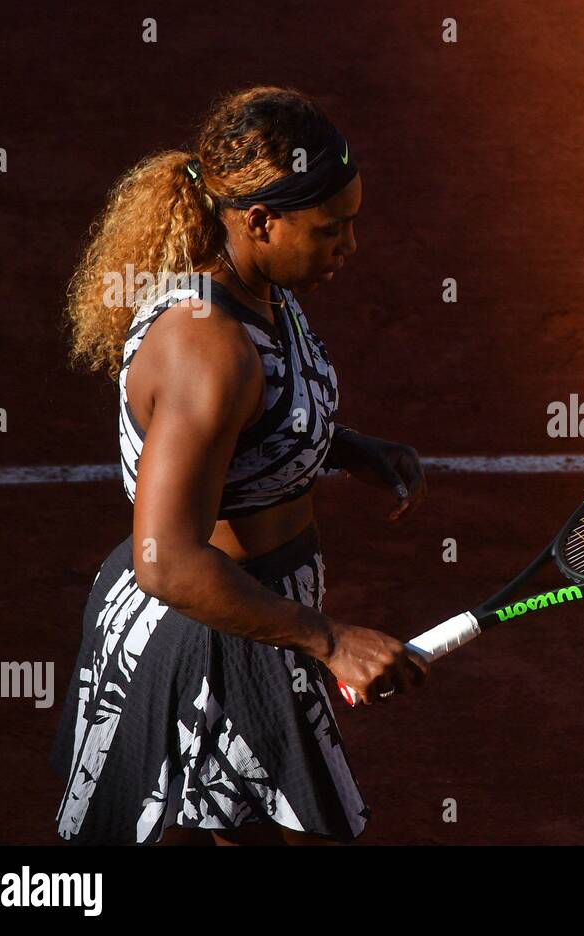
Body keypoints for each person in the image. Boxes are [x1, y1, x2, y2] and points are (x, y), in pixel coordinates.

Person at [52, 86, 428, 845]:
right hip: (210, 622)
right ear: (261, 219)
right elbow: (167, 563)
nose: (349, 247)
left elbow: (256, 421)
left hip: (255, 614)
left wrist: (343, 445)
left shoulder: (258, 287)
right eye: (331, 230)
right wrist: (331, 640)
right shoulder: (208, 348)